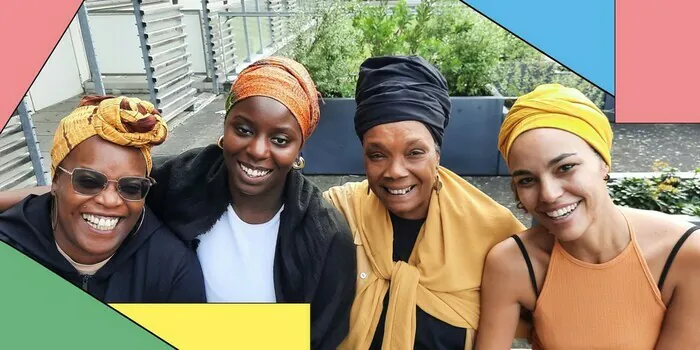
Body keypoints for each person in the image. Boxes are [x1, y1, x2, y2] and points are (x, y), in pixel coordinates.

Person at [0, 57, 356, 349]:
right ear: (226, 125)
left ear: (300, 147)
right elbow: (95, 192)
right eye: (243, 129)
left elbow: (322, 335)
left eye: (280, 139)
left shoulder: (323, 236)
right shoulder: (181, 180)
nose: (258, 150)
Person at [322, 55, 527, 350]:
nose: (394, 171)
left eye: (415, 153)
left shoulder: (493, 236)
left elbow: (555, 318)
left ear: (438, 154)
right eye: (377, 155)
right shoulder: (340, 214)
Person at [476, 84, 700, 349]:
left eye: (565, 167)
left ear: (603, 162)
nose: (548, 194)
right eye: (527, 180)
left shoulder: (684, 254)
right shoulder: (514, 264)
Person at [0, 95, 206, 303]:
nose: (110, 201)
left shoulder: (170, 266)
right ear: (56, 181)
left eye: (131, 187)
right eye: (88, 182)